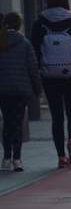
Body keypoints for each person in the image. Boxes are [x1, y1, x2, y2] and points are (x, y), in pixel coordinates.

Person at [30, 0, 71, 169]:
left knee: (56, 117)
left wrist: (36, 76)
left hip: (49, 76)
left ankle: (61, 157)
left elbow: (34, 52)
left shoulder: (40, 23)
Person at [1, 13, 41, 172]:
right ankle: (17, 159)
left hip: (3, 90)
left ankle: (6, 158)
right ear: (19, 25)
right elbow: (33, 68)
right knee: (17, 124)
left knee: (6, 122)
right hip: (20, 90)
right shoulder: (25, 44)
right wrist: (37, 89)